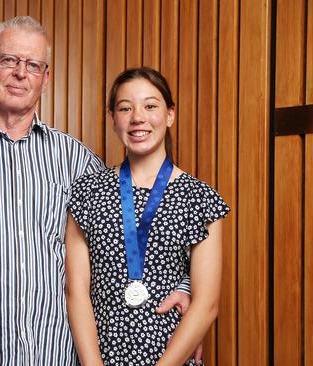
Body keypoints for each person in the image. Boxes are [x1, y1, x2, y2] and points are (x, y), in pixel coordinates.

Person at [0, 16, 193, 365]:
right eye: (9, 60)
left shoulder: (76, 159)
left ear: (45, 79)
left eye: (33, 65)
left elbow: (132, 235)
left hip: (52, 353)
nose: (21, 73)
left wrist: (183, 292)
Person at [65, 67, 229, 365]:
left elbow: (206, 304)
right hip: (100, 356)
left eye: (150, 106)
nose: (137, 117)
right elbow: (76, 291)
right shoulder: (87, 191)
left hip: (171, 359)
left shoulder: (200, 197)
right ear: (113, 119)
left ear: (170, 115)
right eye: (125, 108)